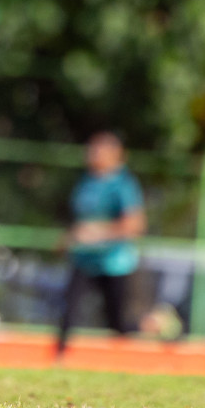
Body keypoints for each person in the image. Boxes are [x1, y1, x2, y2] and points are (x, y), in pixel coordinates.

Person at [56, 132, 147, 356]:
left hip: (114, 262)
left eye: (98, 150)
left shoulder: (123, 185)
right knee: (68, 308)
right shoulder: (86, 181)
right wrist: (69, 238)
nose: (92, 154)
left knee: (116, 320)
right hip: (85, 259)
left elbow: (135, 225)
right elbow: (82, 222)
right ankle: (58, 358)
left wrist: (100, 233)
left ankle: (151, 330)